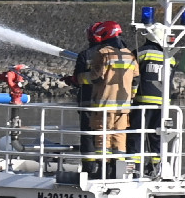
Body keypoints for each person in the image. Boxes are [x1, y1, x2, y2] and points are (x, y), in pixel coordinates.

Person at [71, 20, 133, 171]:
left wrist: (75, 79)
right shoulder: (127, 54)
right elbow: (134, 79)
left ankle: (93, 167)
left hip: (93, 102)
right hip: (122, 105)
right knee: (118, 136)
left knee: (92, 136)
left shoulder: (92, 54)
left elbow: (93, 77)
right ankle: (117, 168)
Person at [128, 25, 170, 175]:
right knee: (157, 136)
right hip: (162, 105)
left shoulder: (140, 53)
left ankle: (135, 168)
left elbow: (132, 77)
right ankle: (157, 168)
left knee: (136, 134)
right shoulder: (169, 56)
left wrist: (131, 97)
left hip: (142, 102)